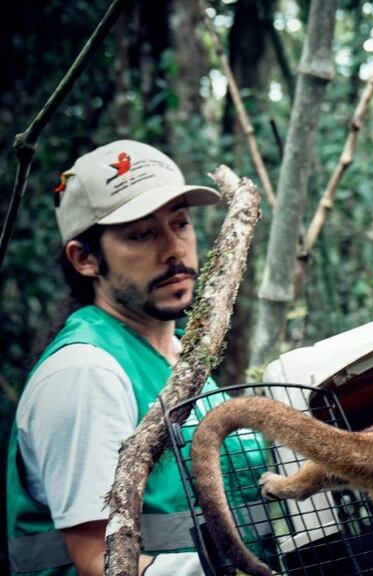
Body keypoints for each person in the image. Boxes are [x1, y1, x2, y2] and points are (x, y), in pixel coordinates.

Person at [6, 140, 222, 576]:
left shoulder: (183, 354)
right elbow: (100, 564)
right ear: (85, 259)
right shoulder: (86, 374)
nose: (174, 250)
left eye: (180, 224)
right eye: (142, 234)